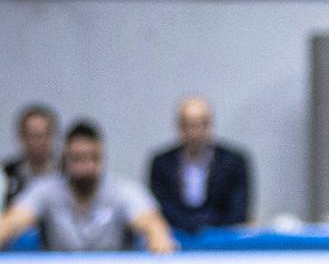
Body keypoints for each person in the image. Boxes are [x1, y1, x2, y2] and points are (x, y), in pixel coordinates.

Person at [0, 121, 177, 254]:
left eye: (92, 158)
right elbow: (14, 220)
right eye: (77, 158)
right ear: (65, 159)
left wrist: (157, 236)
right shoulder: (46, 191)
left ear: (101, 159)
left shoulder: (121, 190)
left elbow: (149, 220)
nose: (85, 166)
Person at [146, 95, 253, 235]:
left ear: (210, 124)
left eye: (201, 124)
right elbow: (160, 205)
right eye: (188, 125)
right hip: (176, 237)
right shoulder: (162, 163)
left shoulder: (232, 162)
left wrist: (208, 226)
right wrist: (188, 225)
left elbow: (238, 209)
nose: (195, 132)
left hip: (223, 238)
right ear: (179, 126)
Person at [4, 105, 59, 207]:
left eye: (44, 135)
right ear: (22, 137)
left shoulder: (66, 174)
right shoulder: (5, 174)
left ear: (53, 136)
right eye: (34, 136)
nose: (39, 142)